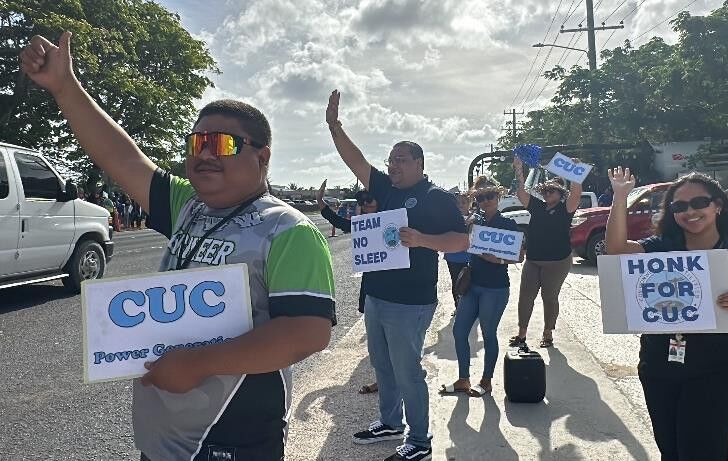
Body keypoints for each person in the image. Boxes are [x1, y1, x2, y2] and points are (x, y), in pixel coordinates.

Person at [21, 32, 336, 461]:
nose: (204, 154)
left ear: (262, 157)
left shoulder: (289, 230)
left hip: (232, 437)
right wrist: (64, 87)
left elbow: (308, 332)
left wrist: (198, 363)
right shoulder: (187, 204)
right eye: (196, 143)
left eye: (221, 143)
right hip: (163, 438)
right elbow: (122, 157)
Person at [326, 90, 468, 461]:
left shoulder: (435, 197)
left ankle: (419, 441)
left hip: (411, 301)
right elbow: (356, 161)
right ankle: (390, 422)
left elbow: (460, 240)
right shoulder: (385, 189)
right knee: (383, 365)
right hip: (377, 295)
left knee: (408, 372)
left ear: (419, 163)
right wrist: (335, 127)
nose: (393, 166)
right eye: (391, 160)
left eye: (401, 160)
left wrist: (422, 240)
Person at [605, 167, 728, 460]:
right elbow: (616, 250)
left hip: (716, 370)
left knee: (701, 452)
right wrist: (620, 198)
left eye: (699, 202)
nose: (690, 211)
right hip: (659, 366)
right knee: (671, 451)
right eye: (679, 206)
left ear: (717, 205)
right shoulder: (660, 250)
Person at [439, 176, 521, 397]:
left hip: (495, 288)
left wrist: (499, 260)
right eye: (481, 197)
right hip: (472, 285)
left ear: (498, 196)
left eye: (490, 196)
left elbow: (520, 256)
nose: (486, 200)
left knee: (488, 333)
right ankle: (463, 379)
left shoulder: (508, 224)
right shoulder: (474, 222)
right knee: (459, 331)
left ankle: (486, 381)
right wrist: (465, 228)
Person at [509, 158, 582, 349]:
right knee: (525, 297)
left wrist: (575, 172)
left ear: (560, 193)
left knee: (549, 297)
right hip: (533, 259)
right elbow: (521, 193)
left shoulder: (566, 208)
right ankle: (522, 334)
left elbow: (576, 193)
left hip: (558, 261)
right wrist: (519, 169)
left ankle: (548, 333)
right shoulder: (538, 206)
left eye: (552, 190)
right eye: (546, 190)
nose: (548, 193)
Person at [316, 179, 379, 395]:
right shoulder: (362, 224)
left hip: (396, 290)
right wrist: (320, 202)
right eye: (362, 201)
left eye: (370, 200)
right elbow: (340, 222)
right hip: (372, 287)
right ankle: (382, 378)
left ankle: (405, 374)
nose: (365, 204)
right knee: (376, 339)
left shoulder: (395, 220)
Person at [443, 193, 471, 310]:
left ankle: (470, 307)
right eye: (457, 203)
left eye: (463, 202)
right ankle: (458, 307)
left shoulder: (476, 219)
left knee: (470, 282)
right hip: (453, 257)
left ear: (469, 204)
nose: (460, 205)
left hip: (470, 257)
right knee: (456, 282)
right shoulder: (448, 219)